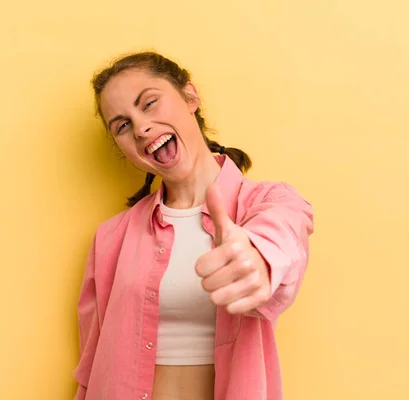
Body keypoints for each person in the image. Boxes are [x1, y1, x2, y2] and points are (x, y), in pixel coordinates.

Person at [72, 51, 314, 400]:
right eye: (123, 125)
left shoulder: (269, 203)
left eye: (149, 103)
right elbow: (91, 365)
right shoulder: (111, 238)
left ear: (190, 96)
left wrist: (260, 261)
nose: (140, 128)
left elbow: (283, 237)